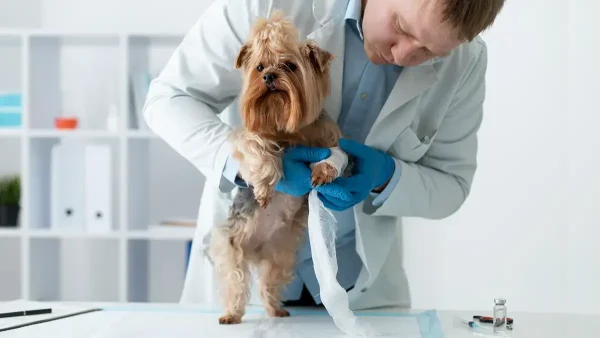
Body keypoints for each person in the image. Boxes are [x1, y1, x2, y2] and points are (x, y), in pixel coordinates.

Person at [143, 0, 505, 310]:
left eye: (430, 52)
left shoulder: (466, 62)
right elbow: (167, 99)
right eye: (401, 27)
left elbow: (452, 184)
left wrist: (386, 177)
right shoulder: (268, 4)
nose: (403, 55)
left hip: (358, 293)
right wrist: (253, 164)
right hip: (248, 265)